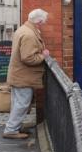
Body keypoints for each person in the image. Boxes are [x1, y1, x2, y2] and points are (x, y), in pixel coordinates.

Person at [3, 9, 50, 139]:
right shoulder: (29, 35)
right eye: (43, 22)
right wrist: (43, 56)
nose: (44, 25)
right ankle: (11, 130)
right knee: (22, 103)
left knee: (18, 102)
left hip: (19, 74)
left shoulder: (23, 29)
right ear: (39, 22)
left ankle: (14, 127)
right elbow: (28, 58)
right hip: (23, 76)